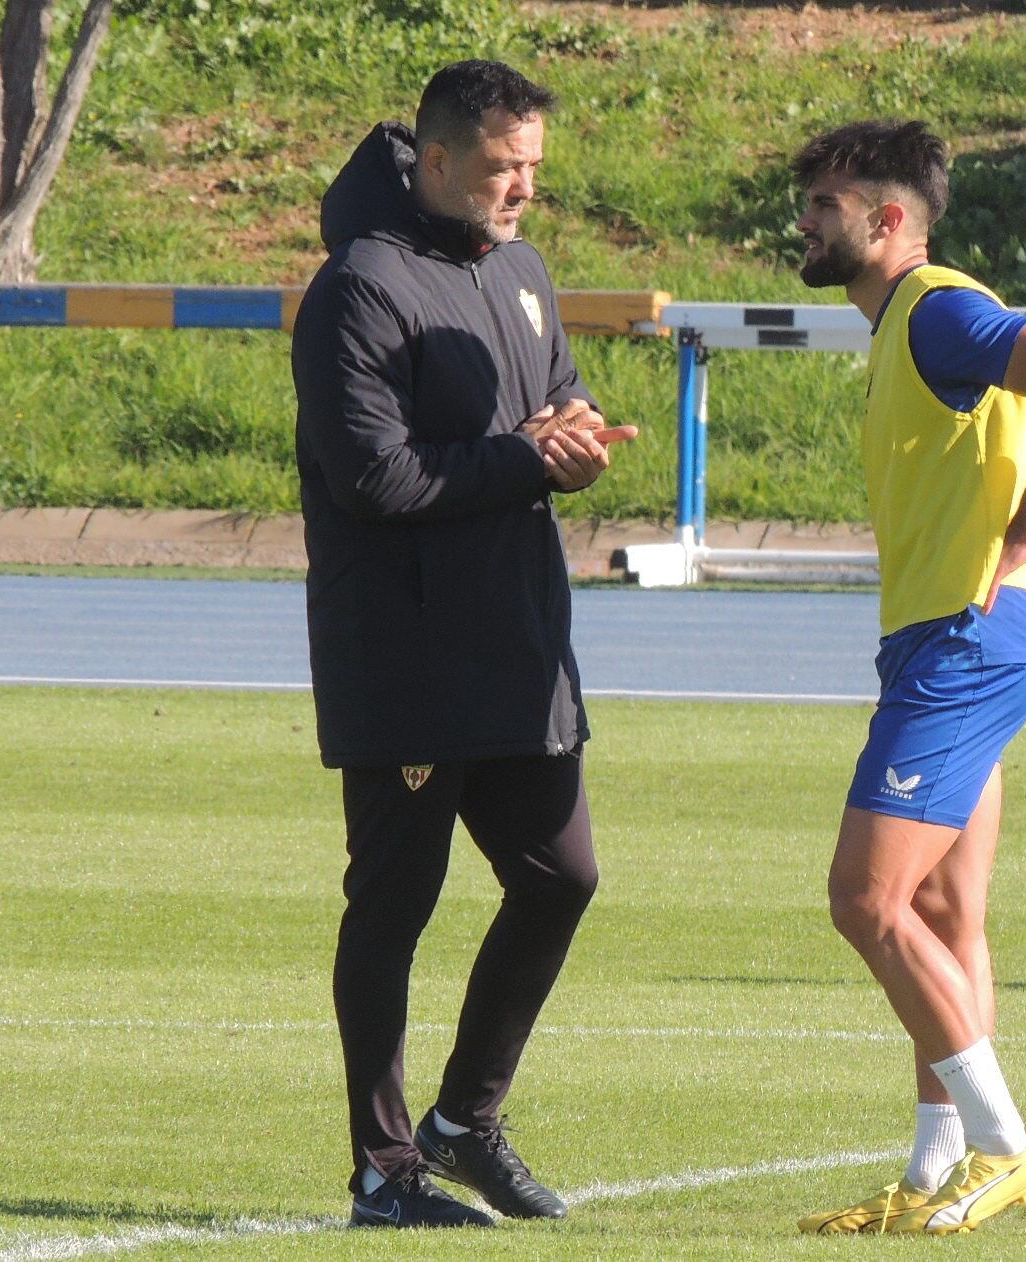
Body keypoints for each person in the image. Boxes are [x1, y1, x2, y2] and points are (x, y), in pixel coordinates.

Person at [291, 59, 637, 1230]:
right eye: (501, 167)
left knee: (562, 876)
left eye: (533, 166)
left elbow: (558, 400)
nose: (522, 188)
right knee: (394, 905)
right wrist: (528, 457)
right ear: (435, 162)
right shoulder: (358, 289)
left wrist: (578, 438)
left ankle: (462, 1124)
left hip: (516, 640)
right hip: (406, 652)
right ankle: (384, 1170)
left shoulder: (526, 271)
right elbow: (374, 474)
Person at [788, 120, 1026, 1235]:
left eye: (823, 206)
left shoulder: (933, 307)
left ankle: (1005, 1141)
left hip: (959, 651)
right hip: (964, 641)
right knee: (942, 907)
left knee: (863, 899)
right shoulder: (904, 328)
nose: (804, 223)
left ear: (886, 220)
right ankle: (931, 1165)